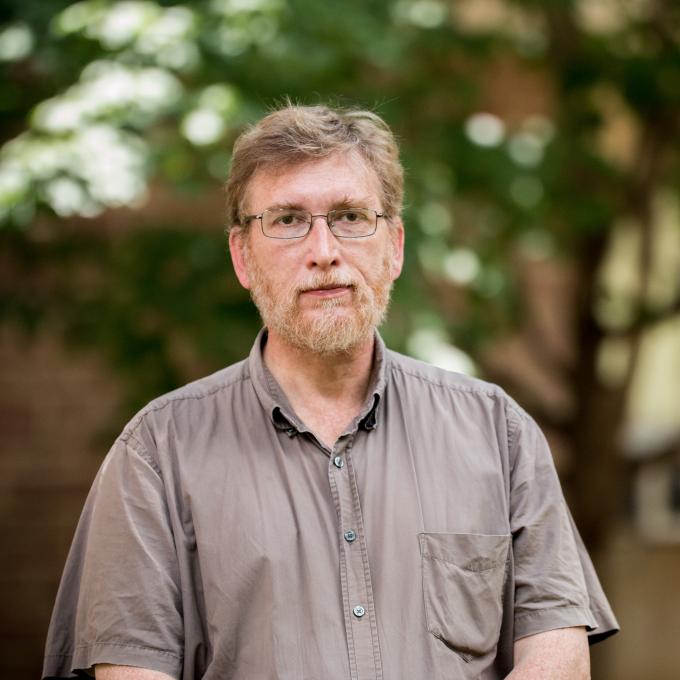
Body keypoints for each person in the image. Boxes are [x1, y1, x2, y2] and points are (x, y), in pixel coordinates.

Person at [43, 104, 618, 680]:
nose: (324, 251)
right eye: (289, 220)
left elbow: (558, 655)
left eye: (348, 216)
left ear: (394, 247)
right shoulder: (156, 453)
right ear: (242, 256)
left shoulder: (499, 431)